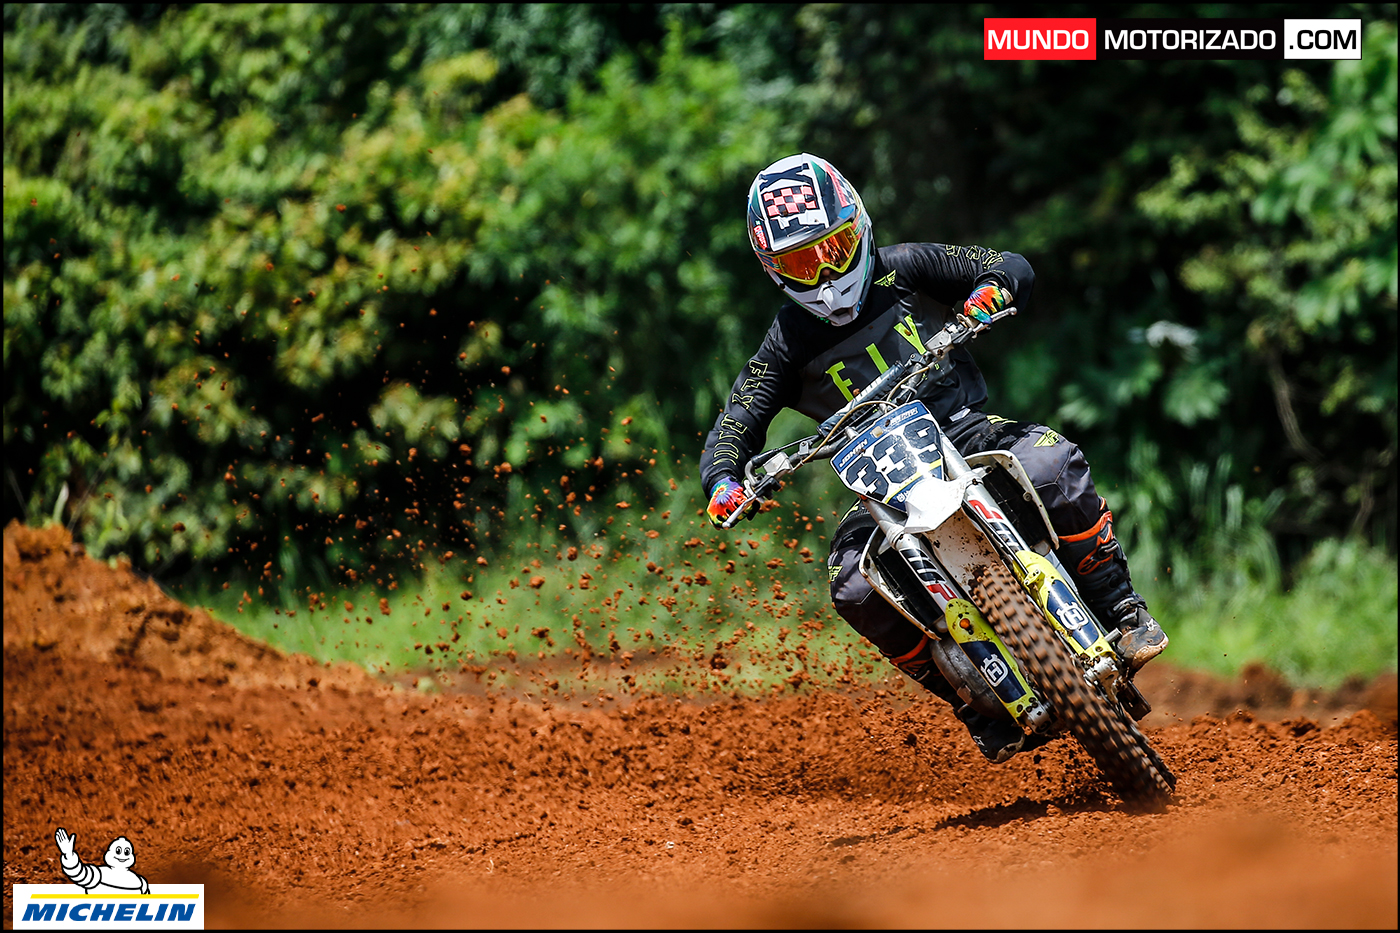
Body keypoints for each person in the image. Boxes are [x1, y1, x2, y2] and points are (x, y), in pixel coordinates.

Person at [699, 153, 1168, 763]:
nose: (825, 275)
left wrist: (991, 292)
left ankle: (1120, 609)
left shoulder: (908, 266)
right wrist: (725, 480)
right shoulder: (786, 341)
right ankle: (970, 700)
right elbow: (736, 420)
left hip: (963, 431)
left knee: (1052, 464)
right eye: (801, 264)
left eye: (833, 250)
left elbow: (1006, 264)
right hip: (879, 483)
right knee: (851, 586)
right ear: (773, 270)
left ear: (858, 226)